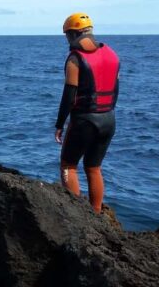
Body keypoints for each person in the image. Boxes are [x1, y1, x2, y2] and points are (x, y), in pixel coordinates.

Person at [54, 13, 120, 213]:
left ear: (74, 34)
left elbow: (69, 95)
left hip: (84, 121)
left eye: (67, 35)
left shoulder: (75, 59)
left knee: (68, 166)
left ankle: (77, 214)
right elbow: (115, 90)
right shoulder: (111, 54)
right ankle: (96, 213)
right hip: (108, 119)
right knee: (93, 167)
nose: (67, 40)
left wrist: (59, 124)